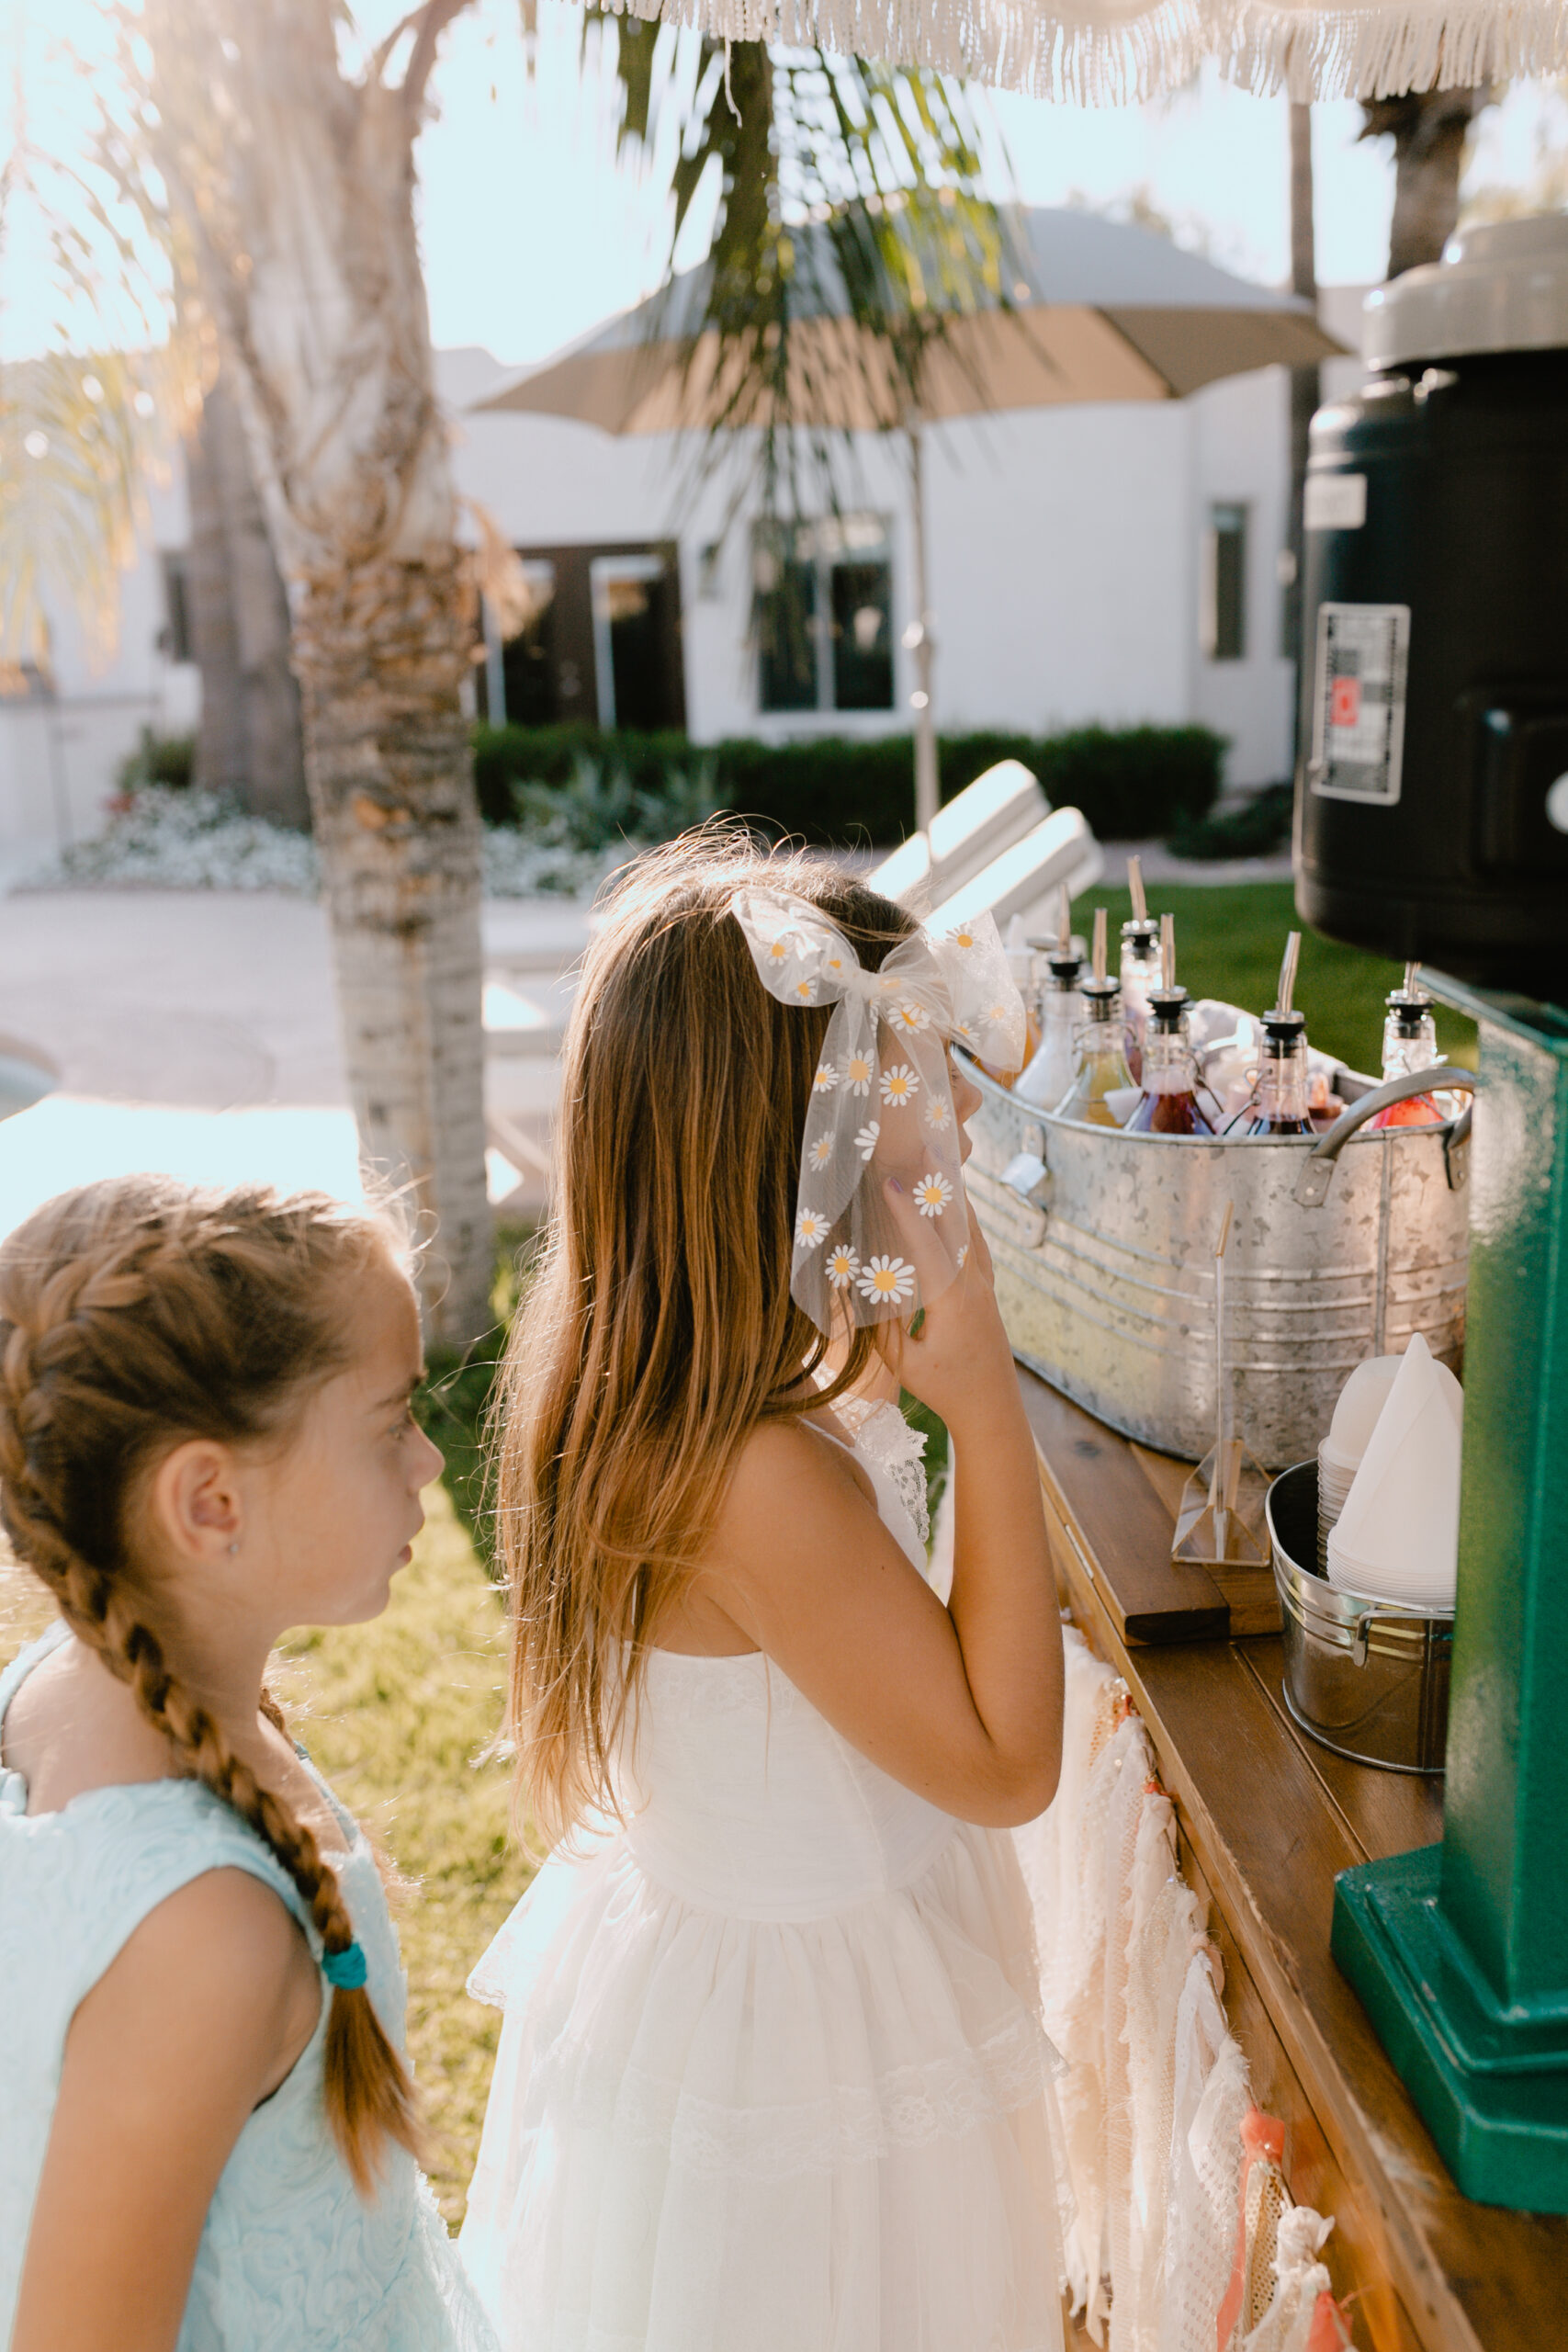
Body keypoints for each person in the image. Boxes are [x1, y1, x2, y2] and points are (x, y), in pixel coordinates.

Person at [461, 834, 1068, 2352]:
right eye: (908, 1097)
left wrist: (905, 1285)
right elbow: (1004, 1765)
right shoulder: (755, 1481)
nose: (953, 1139)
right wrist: (989, 1412)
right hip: (808, 2051)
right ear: (786, 1157)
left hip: (765, 1955)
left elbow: (856, 1327)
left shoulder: (697, 1367)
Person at [0, 1177, 499, 2352]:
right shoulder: (205, 1935)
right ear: (211, 1500)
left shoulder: (53, 1690)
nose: (429, 1460)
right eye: (391, 1421)